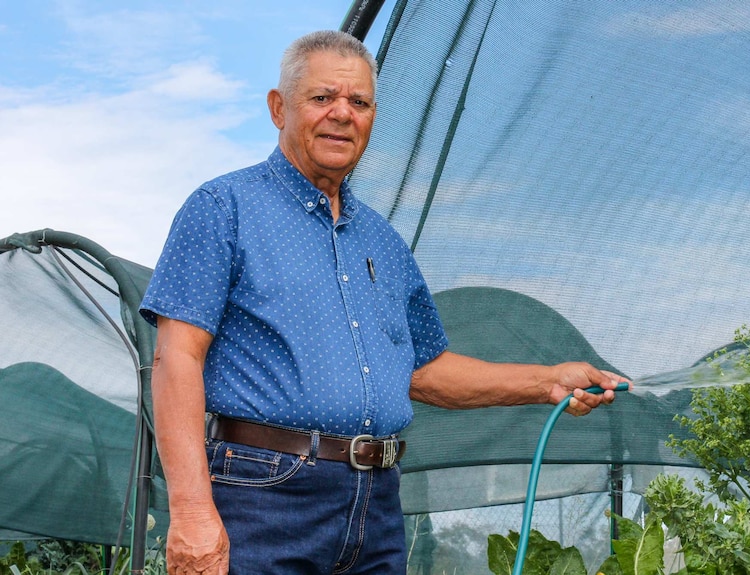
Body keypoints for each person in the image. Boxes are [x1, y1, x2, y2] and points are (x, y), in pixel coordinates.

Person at [140, 29, 627, 575]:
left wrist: (548, 382)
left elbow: (424, 371)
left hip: (377, 502)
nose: (342, 114)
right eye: (322, 98)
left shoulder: (383, 242)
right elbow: (177, 357)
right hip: (262, 493)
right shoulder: (222, 208)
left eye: (359, 102)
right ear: (279, 108)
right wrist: (191, 511)